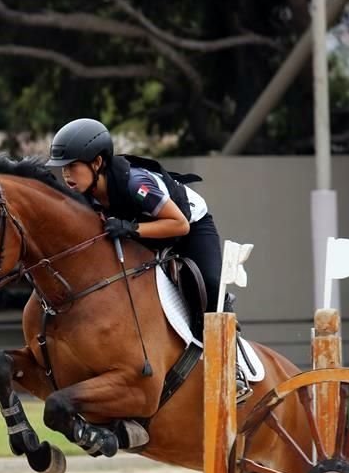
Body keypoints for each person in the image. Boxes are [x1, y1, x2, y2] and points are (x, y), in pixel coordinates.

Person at [45, 118, 252, 402]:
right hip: (144, 231)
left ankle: (234, 366)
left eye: (72, 166)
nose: (66, 174)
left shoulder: (136, 183)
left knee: (210, 283)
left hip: (188, 227)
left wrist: (132, 229)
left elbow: (179, 225)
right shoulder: (84, 195)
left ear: (96, 163)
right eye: (63, 167)